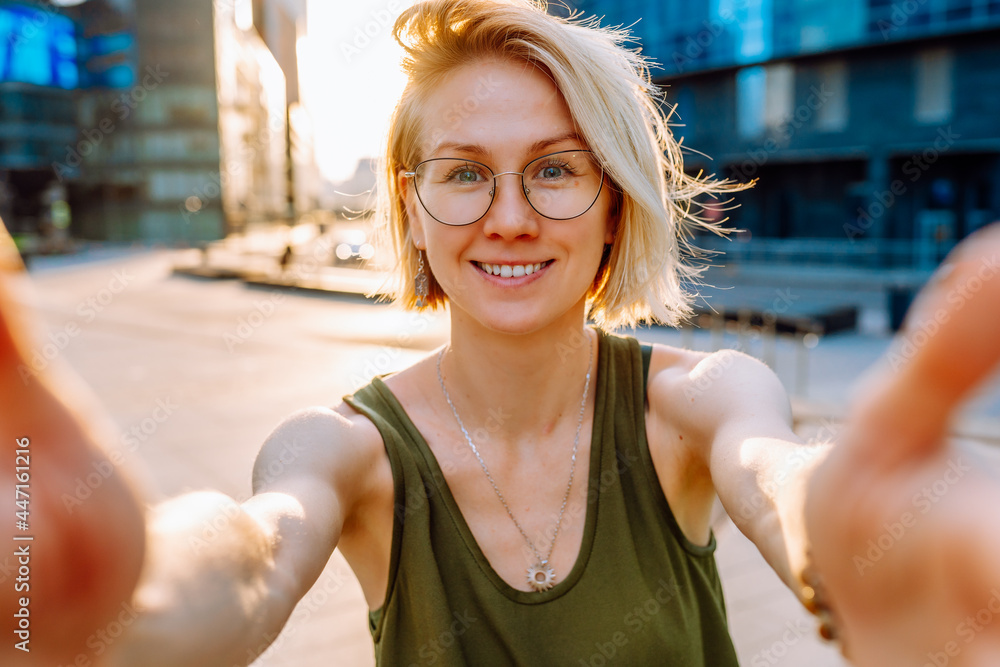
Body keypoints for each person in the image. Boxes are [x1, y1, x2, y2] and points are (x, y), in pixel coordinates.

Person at [1, 0, 999, 665]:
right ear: (413, 208)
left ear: (614, 203)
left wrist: (865, 539)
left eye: (556, 169)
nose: (509, 215)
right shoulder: (341, 449)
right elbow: (255, 553)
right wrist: (119, 605)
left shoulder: (704, 398)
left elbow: (777, 475)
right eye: (464, 171)